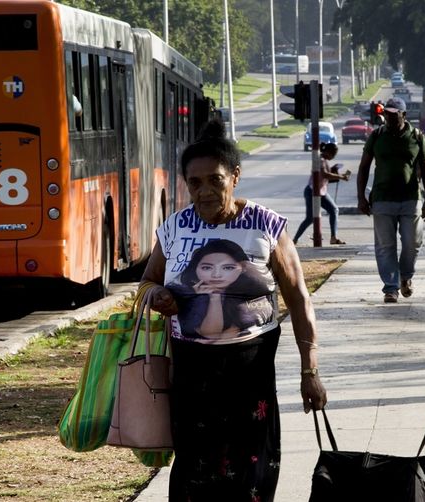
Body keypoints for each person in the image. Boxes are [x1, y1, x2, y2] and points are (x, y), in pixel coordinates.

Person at [141, 119, 327, 502]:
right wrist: (158, 295)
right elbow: (145, 283)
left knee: (252, 473)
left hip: (251, 371)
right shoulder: (174, 228)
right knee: (194, 473)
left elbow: (298, 299)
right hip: (191, 374)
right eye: (195, 183)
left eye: (216, 180)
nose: (205, 191)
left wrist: (310, 371)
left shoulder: (265, 225)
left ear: (235, 177)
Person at [356, 97, 425, 304]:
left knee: (412, 243)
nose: (388, 117)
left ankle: (405, 277)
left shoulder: (416, 136)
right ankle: (391, 288)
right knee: (385, 246)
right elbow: (363, 167)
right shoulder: (376, 136)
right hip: (382, 199)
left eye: (393, 113)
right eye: (386, 113)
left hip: (411, 198)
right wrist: (361, 197)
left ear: (403, 115)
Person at [166, 239, 272, 339]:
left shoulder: (251, 293)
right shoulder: (187, 293)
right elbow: (210, 334)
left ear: (243, 268)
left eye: (228, 268)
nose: (216, 275)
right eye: (207, 268)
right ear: (195, 268)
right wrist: (214, 299)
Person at [292, 143, 350, 245]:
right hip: (312, 191)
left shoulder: (324, 161)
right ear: (328, 152)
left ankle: (334, 237)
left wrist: (336, 174)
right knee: (310, 218)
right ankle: (295, 240)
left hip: (321, 192)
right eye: (333, 154)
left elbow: (325, 177)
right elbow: (325, 174)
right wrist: (341, 177)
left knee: (334, 210)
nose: (334, 157)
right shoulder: (320, 160)